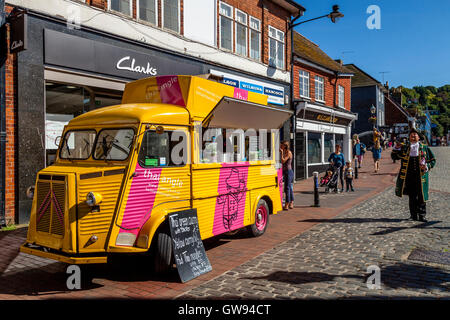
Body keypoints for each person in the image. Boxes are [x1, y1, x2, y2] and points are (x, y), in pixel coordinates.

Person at [391, 128, 436, 222]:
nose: (413, 136)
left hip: (421, 175)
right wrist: (396, 148)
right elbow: (394, 156)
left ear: (419, 137)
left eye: (415, 134)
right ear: (409, 137)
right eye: (411, 135)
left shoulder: (424, 147)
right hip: (409, 175)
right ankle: (413, 215)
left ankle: (422, 215)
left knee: (421, 195)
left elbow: (433, 160)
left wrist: (427, 166)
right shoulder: (405, 147)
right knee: (412, 196)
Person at [280, 141, 294, 210]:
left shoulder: (288, 152)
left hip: (289, 172)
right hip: (286, 172)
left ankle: (287, 204)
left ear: (284, 146)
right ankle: (291, 203)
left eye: (281, 145)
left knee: (287, 188)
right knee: (289, 188)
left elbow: (283, 161)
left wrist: (281, 153)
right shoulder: (285, 152)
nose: (280, 146)